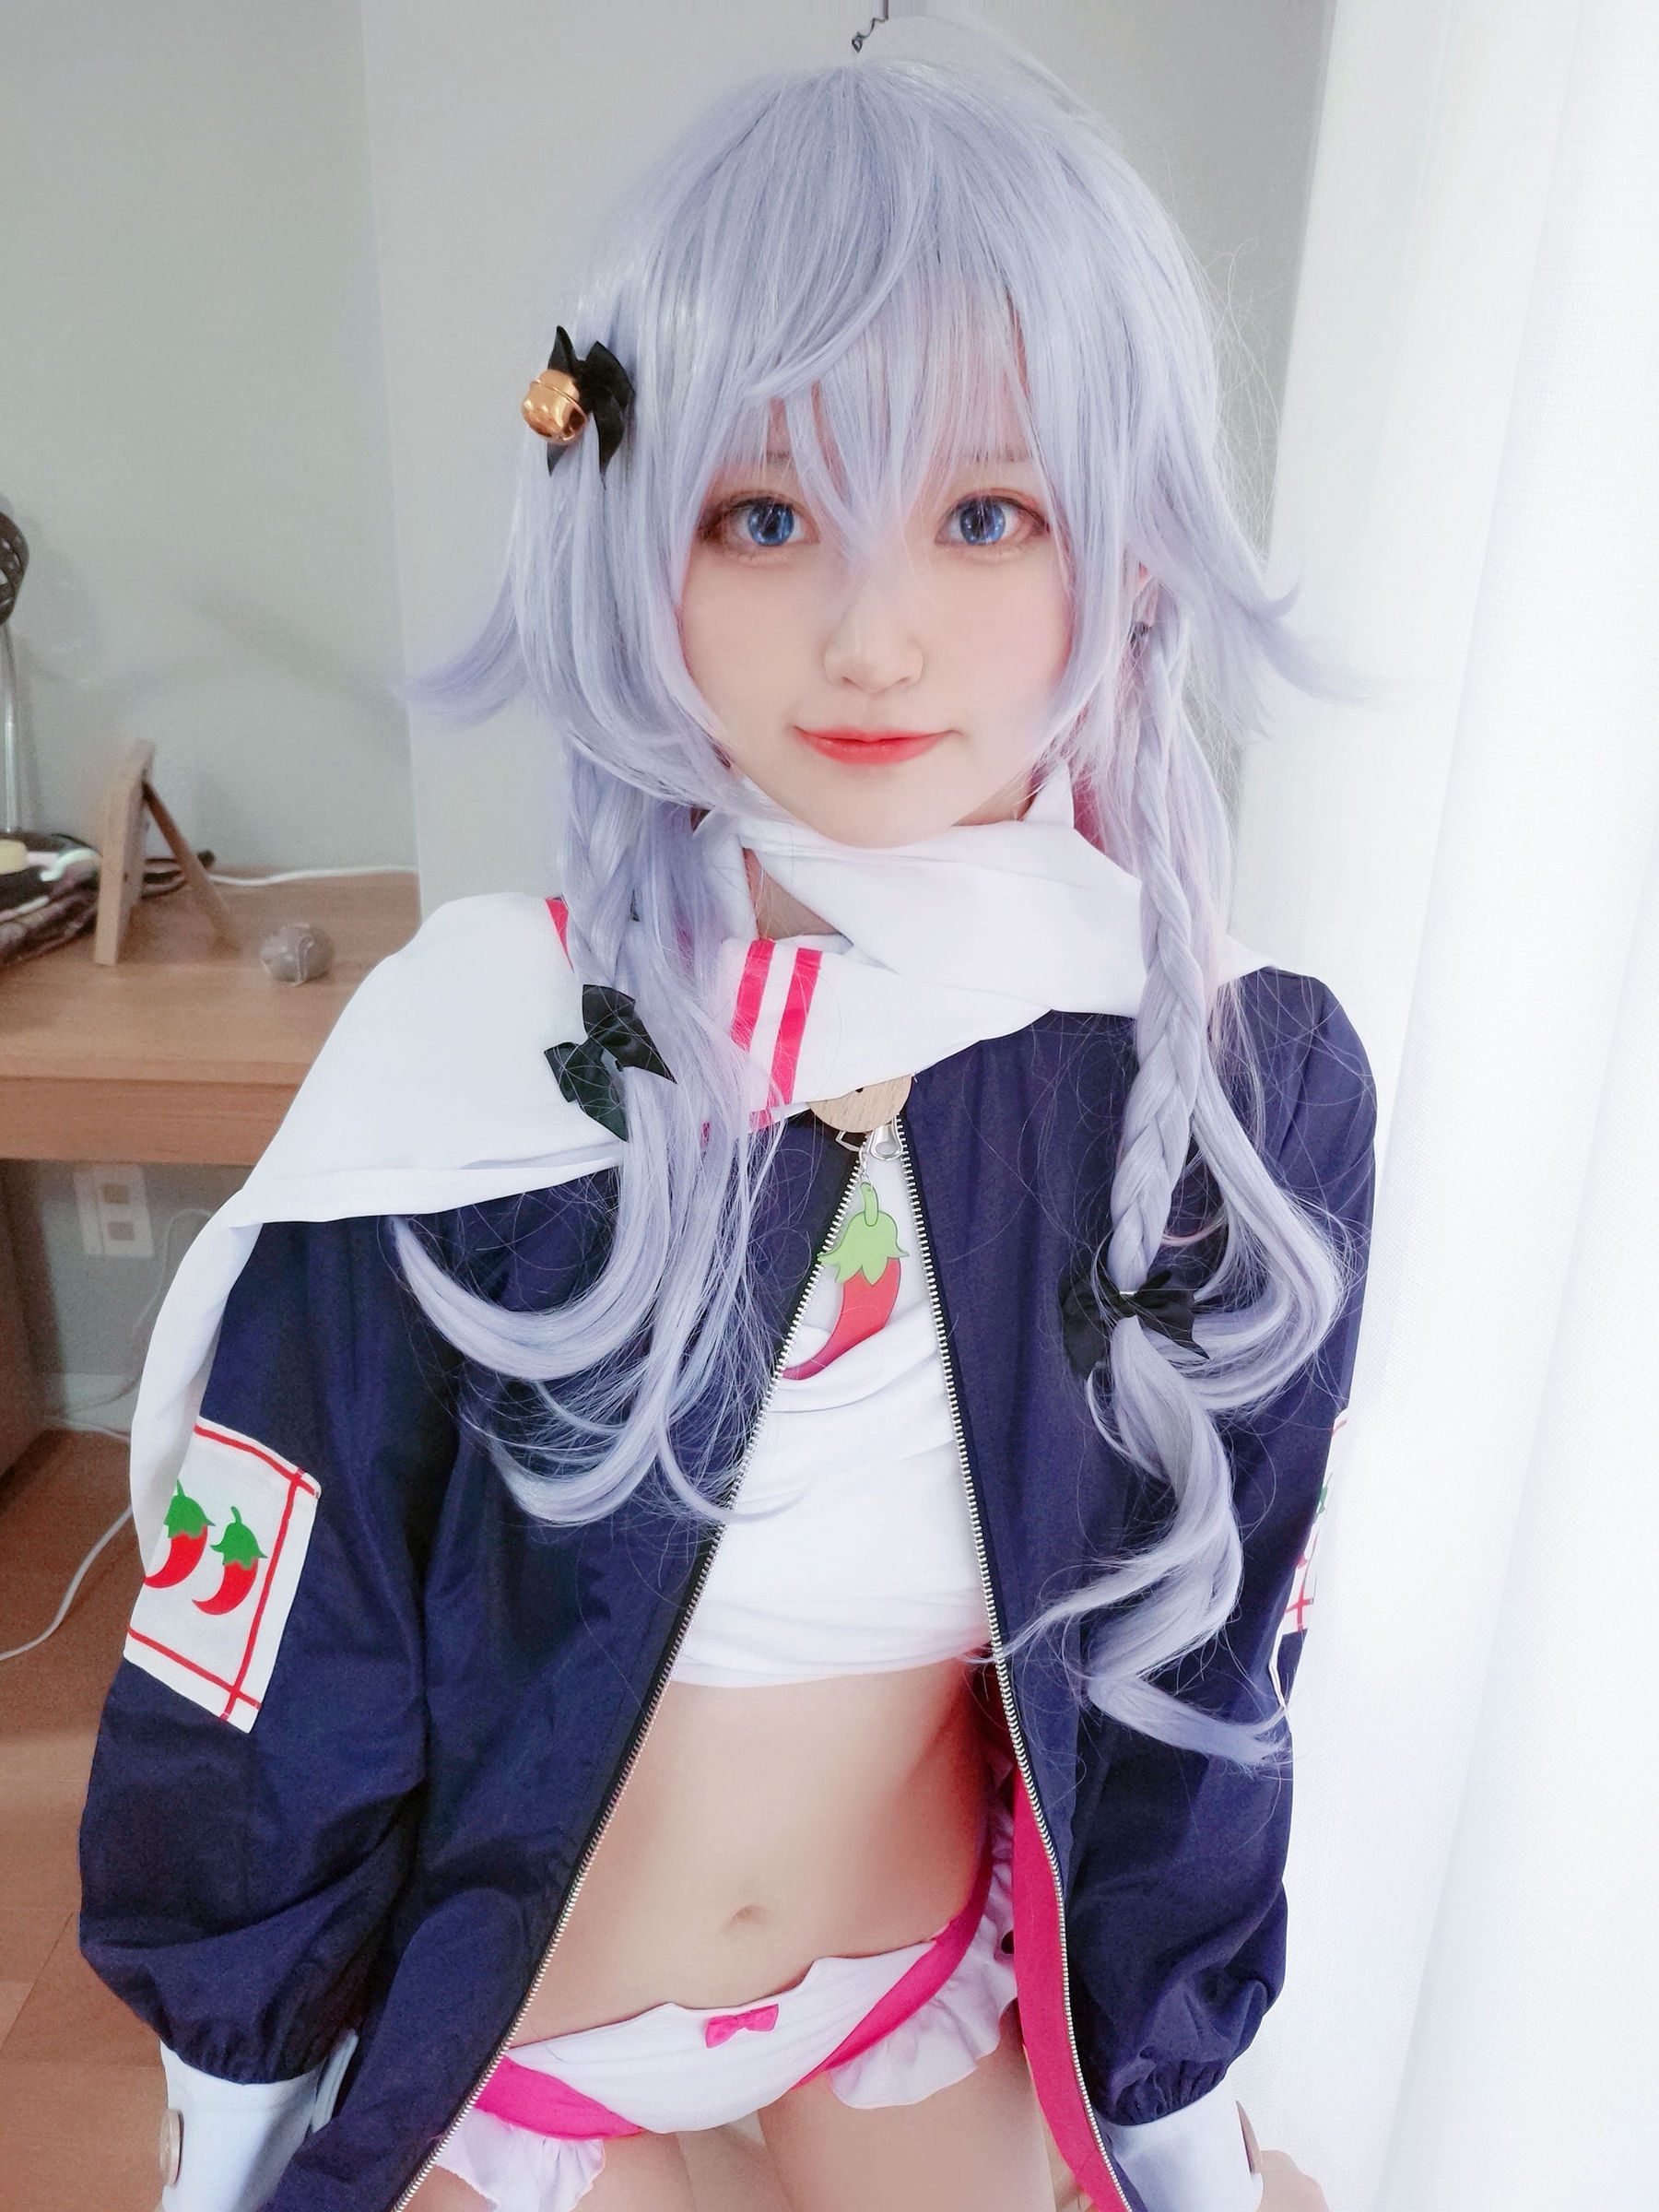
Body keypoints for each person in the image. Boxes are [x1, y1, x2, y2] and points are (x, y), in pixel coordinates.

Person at [78, 46, 1374, 2212]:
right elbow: (289, 1649)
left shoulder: (1214, 1089)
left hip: (915, 1992)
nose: (873, 635)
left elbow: (1213, 1676)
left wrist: (1180, 2122)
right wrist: (236, 2126)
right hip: (507, 2029)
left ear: (1128, 542)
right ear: (625, 531)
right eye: (765, 518)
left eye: (986, 514)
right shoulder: (484, 1064)